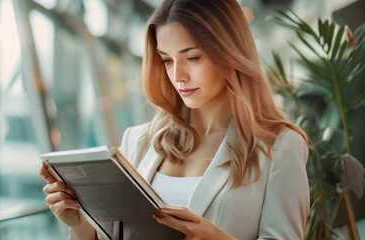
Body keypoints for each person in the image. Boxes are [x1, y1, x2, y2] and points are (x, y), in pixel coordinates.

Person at [40, 0, 310, 239]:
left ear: (229, 53)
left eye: (192, 57)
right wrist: (80, 227)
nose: (178, 75)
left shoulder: (280, 147)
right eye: (167, 60)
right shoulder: (139, 141)